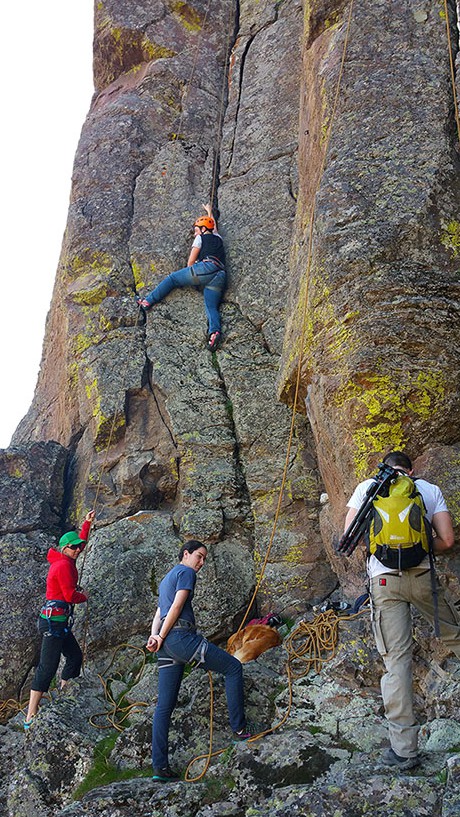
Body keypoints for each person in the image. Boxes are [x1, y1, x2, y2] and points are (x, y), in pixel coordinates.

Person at [344, 451, 460, 769]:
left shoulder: (368, 488)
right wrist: (419, 547)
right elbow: (448, 540)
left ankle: (404, 750)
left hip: (384, 583)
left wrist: (383, 547)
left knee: (396, 663)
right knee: (455, 637)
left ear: (384, 468)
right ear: (411, 469)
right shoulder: (427, 489)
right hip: (423, 578)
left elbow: (350, 535)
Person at [147, 540, 256, 782]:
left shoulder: (167, 578)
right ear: (186, 554)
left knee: (164, 706)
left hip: (165, 646)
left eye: (204, 558)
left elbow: (159, 612)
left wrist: (155, 637)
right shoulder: (186, 573)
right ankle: (240, 728)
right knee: (233, 667)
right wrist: (162, 636)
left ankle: (160, 768)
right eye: (199, 556)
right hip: (180, 638)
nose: (202, 562)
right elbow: (177, 606)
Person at [24, 510, 95, 729]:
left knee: (74, 656)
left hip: (58, 621)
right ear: (64, 548)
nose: (77, 550)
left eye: (78, 547)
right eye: (73, 547)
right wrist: (85, 596)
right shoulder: (63, 566)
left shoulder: (65, 559)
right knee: (47, 667)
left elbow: (81, 542)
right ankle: (30, 715)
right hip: (54, 622)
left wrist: (87, 523)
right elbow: (69, 595)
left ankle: (65, 694)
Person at [137, 203, 226, 351]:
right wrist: (209, 211)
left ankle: (147, 301)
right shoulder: (218, 237)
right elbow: (213, 226)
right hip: (220, 275)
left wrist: (192, 277)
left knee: (173, 279)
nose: (195, 234)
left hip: (206, 268)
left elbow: (190, 262)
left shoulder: (200, 239)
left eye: (196, 230)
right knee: (211, 306)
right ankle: (214, 333)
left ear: (203, 230)